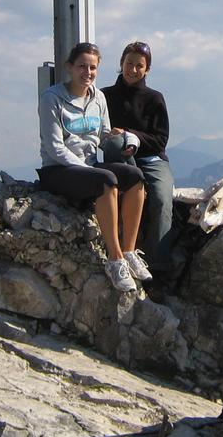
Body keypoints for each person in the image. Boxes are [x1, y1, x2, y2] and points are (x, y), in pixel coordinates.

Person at [37, 42, 152, 293]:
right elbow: (55, 147)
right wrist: (86, 169)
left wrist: (124, 138)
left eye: (92, 68)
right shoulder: (52, 98)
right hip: (57, 169)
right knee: (106, 180)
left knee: (135, 176)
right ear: (69, 67)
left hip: (88, 166)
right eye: (82, 67)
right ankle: (115, 259)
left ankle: (130, 251)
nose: (87, 73)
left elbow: (102, 135)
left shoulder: (98, 97)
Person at [101, 41, 175, 275]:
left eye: (139, 66)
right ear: (121, 63)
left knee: (162, 200)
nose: (133, 70)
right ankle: (119, 254)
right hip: (120, 159)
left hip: (152, 160)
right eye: (129, 63)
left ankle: (158, 267)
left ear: (147, 69)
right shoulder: (104, 97)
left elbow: (160, 140)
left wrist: (132, 136)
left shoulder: (154, 99)